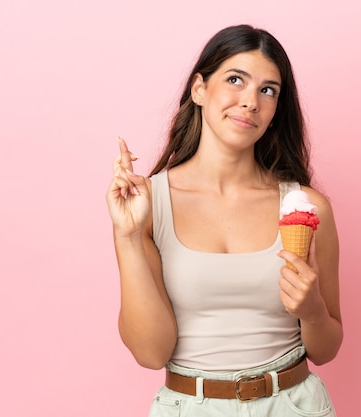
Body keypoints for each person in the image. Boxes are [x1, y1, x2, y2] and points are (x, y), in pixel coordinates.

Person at [106, 24, 343, 416]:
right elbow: (151, 353)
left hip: (293, 405)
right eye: (236, 79)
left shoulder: (306, 207)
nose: (251, 101)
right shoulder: (148, 205)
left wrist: (313, 310)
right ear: (199, 88)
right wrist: (128, 236)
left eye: (268, 90)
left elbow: (327, 348)